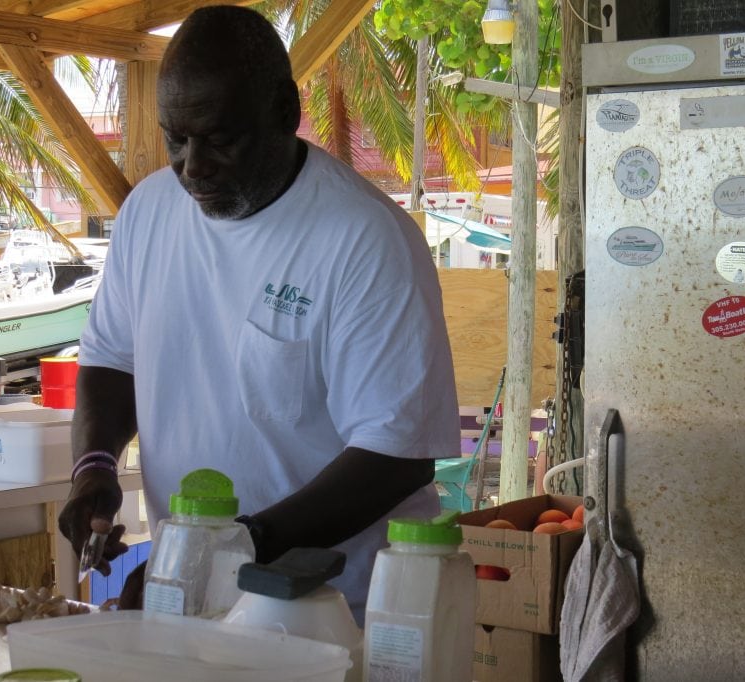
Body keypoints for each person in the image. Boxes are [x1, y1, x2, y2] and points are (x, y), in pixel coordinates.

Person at [57, 5, 459, 621]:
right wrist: (94, 467)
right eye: (176, 139)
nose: (192, 167)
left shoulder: (364, 240)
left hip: (331, 614)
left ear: (284, 112)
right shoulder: (149, 212)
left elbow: (397, 453)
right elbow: (113, 361)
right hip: (188, 598)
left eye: (219, 139)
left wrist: (229, 549)